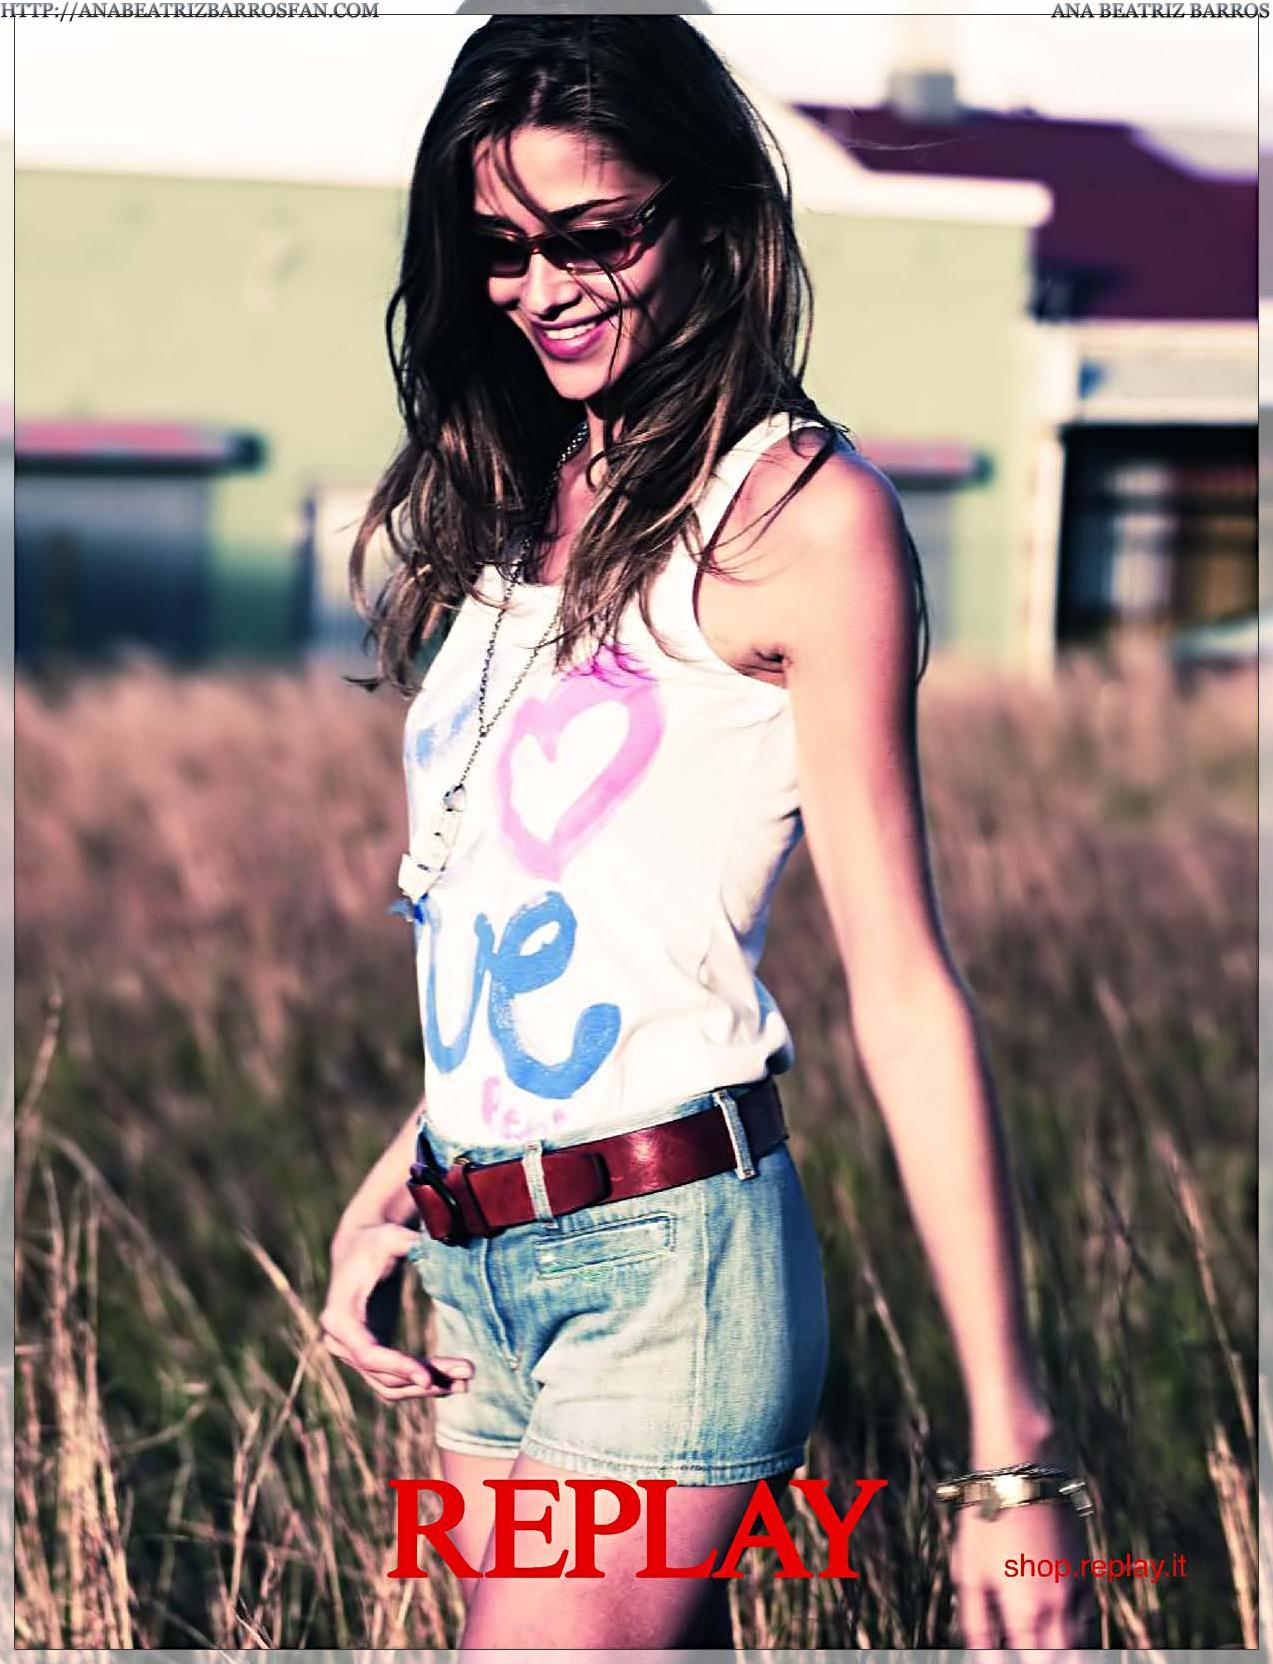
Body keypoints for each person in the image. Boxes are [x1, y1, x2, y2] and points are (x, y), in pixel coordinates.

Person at [320, 15, 1095, 1650]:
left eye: (594, 235)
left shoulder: (802, 522)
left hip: (666, 1269)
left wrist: (1010, 1464)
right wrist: (401, 1183)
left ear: (711, 218)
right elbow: (550, 922)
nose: (544, 288)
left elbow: (901, 984)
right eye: (502, 248)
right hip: (476, 1268)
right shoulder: (527, 497)